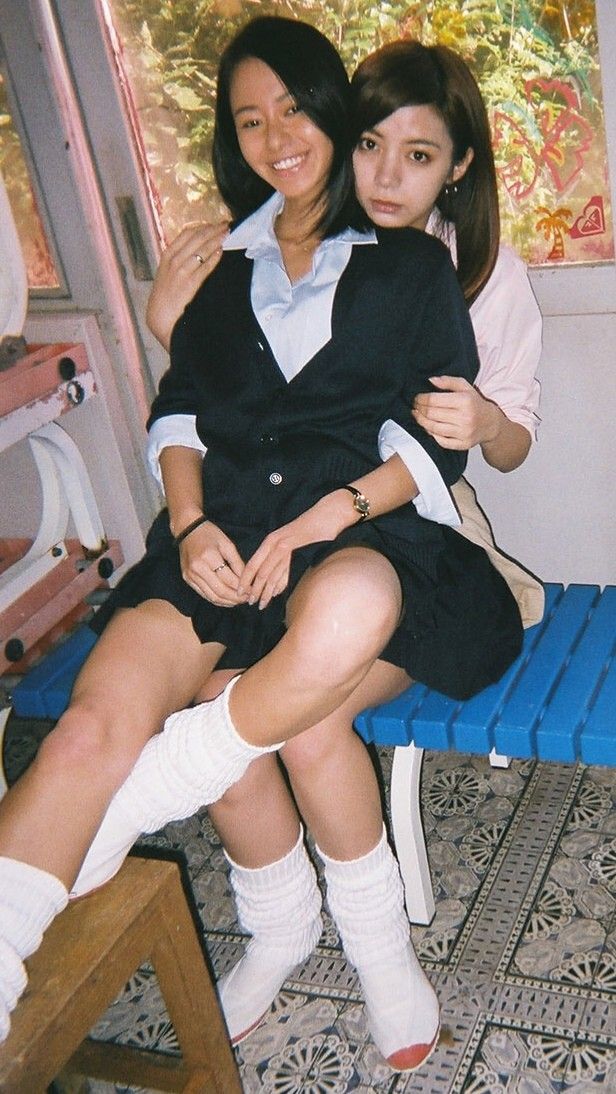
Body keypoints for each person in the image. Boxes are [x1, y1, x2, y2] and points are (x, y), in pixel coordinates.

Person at [0, 18, 523, 1070]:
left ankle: (214, 824)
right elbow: (182, 411)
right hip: (223, 540)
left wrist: (327, 515)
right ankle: (272, 922)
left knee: (316, 640)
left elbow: (436, 439)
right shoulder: (216, 263)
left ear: (331, 109)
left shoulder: (411, 264)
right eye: (249, 120)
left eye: (293, 107)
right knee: (92, 725)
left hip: (366, 535)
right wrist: (190, 522)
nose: (277, 136)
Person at [139, 34, 544, 1053]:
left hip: (428, 529)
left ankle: (377, 951)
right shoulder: (293, 244)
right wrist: (169, 328)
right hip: (296, 533)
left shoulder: (478, 272)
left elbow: (506, 451)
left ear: (458, 166)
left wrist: (486, 417)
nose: (387, 175)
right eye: (371, 144)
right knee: (224, 690)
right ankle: (279, 923)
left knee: (308, 723)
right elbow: (244, 401)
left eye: (420, 154)